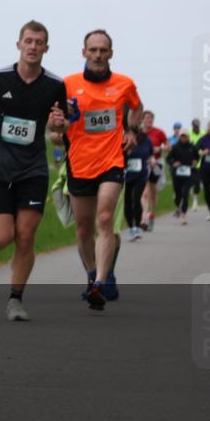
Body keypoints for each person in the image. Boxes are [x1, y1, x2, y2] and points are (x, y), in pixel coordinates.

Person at [0, 20, 67, 322]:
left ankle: (15, 299)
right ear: (19, 45)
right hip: (0, 172)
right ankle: (14, 250)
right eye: (28, 41)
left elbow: (58, 132)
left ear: (46, 48)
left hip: (33, 171)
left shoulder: (55, 85)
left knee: (26, 237)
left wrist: (58, 128)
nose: (33, 46)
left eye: (39, 42)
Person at [63, 29, 142, 310]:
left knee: (105, 218)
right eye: (93, 49)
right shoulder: (68, 84)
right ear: (84, 52)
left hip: (112, 161)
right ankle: (92, 274)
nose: (98, 55)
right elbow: (55, 122)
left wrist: (131, 130)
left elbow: (137, 107)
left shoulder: (124, 83)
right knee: (84, 228)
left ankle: (100, 283)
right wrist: (57, 125)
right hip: (79, 162)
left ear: (111, 53)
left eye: (103, 50)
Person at [140, 111, 169, 231]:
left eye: (151, 118)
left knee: (153, 192)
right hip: (143, 163)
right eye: (147, 118)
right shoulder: (139, 132)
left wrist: (160, 148)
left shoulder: (159, 132)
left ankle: (151, 215)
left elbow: (168, 146)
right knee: (145, 193)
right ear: (142, 119)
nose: (149, 120)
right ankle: (144, 217)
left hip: (157, 163)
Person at [123, 130, 153, 241]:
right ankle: (131, 227)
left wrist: (152, 160)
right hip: (126, 175)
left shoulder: (146, 140)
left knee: (137, 199)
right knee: (127, 201)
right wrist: (126, 152)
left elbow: (150, 154)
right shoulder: (122, 138)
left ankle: (137, 227)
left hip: (141, 175)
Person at [167, 129, 197, 225]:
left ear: (188, 137)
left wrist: (195, 161)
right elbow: (168, 159)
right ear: (179, 137)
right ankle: (178, 206)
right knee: (178, 195)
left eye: (185, 136)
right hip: (177, 174)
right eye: (182, 136)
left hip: (189, 173)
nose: (183, 138)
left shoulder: (192, 147)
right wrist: (173, 163)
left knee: (185, 193)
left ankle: (183, 215)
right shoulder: (175, 147)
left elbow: (197, 157)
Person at [188, 118, 205, 211]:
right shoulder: (189, 133)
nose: (196, 128)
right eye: (195, 127)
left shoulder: (203, 133)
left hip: (201, 161)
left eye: (197, 126)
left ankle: (195, 201)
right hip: (190, 161)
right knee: (189, 182)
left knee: (197, 182)